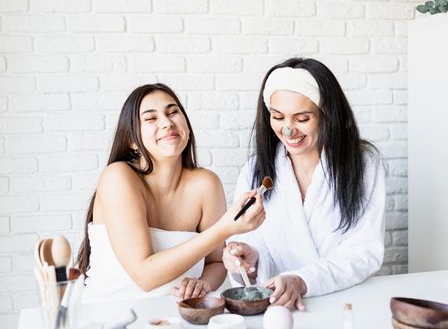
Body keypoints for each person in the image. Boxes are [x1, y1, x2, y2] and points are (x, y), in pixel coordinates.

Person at [77, 83, 265, 303]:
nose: (167, 123)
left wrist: (204, 283)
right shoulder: (118, 176)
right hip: (109, 315)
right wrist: (224, 229)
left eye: (172, 112)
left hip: (177, 317)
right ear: (131, 140)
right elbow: (144, 276)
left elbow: (215, 262)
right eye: (151, 118)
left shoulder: (207, 184)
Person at [222, 58, 386, 310]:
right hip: (280, 309)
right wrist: (249, 259)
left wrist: (303, 280)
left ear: (327, 115)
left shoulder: (362, 164)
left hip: (346, 304)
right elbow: (254, 244)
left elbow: (365, 251)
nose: (288, 130)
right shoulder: (255, 171)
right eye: (278, 117)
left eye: (302, 118)